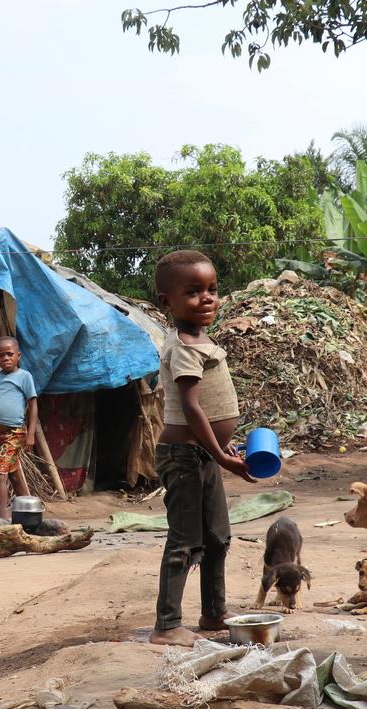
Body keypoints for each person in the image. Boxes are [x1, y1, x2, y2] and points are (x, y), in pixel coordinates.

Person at [149, 250, 255, 648]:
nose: (207, 298)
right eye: (193, 292)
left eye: (211, 289)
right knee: (185, 540)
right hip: (185, 458)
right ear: (167, 302)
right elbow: (192, 409)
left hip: (205, 454)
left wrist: (222, 450)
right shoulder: (183, 348)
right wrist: (222, 456)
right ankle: (166, 625)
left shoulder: (203, 340)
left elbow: (209, 407)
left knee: (217, 537)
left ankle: (214, 611)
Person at [0, 336, 38, 520]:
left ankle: (2, 517)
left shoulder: (24, 377)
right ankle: (30, 513)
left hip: (14, 433)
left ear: (18, 355)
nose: (6, 358)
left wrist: (31, 433)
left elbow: (33, 404)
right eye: (1, 355)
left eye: (10, 354)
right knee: (12, 475)